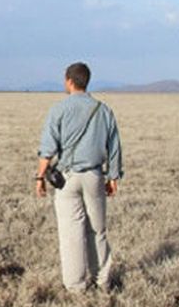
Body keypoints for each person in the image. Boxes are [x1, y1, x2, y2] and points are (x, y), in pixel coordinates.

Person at [35, 62, 123, 292]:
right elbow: (114, 147)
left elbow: (47, 149)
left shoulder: (58, 110)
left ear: (69, 81)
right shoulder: (103, 110)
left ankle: (75, 286)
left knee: (70, 233)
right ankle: (102, 281)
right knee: (98, 230)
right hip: (94, 176)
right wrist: (113, 177)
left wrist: (40, 178)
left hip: (66, 179)